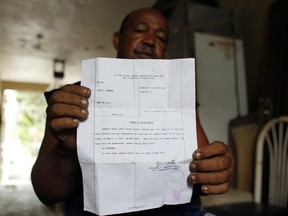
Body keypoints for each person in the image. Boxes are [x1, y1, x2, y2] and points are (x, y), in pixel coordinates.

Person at [31, 8, 234, 216]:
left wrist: (217, 168)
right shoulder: (75, 98)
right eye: (140, 30)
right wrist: (66, 151)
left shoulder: (178, 99)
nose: (150, 41)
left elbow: (202, 175)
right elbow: (46, 192)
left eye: (161, 37)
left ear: (164, 51)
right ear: (117, 40)